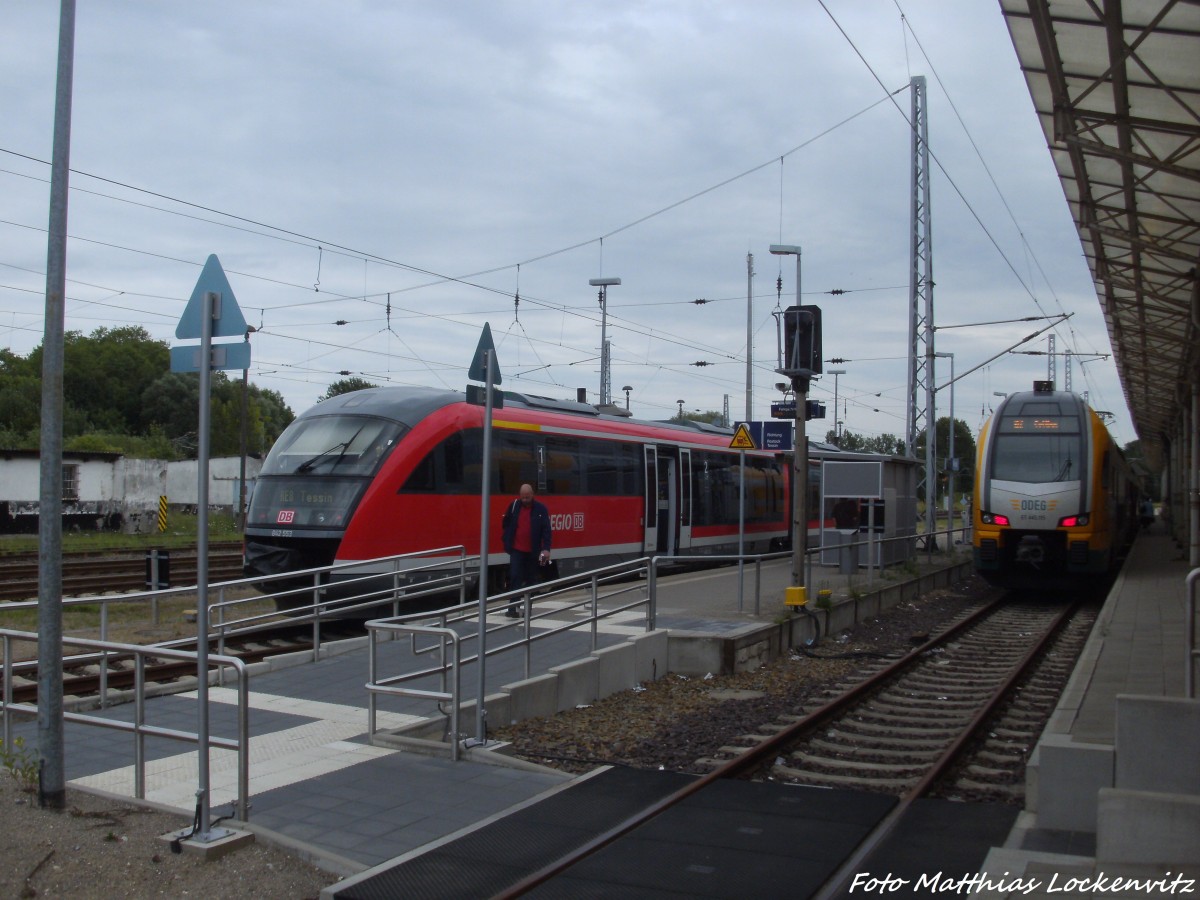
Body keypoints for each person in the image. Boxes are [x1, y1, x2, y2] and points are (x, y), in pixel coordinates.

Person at [500, 483, 553, 618]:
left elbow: (546, 530)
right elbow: (506, 522)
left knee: (532, 579)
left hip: (533, 551)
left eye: (527, 497)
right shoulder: (514, 506)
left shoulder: (541, 509)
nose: (525, 500)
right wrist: (507, 539)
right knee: (515, 577)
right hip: (517, 550)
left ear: (532, 495)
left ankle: (528, 607)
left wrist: (546, 549)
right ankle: (512, 608)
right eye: (523, 497)